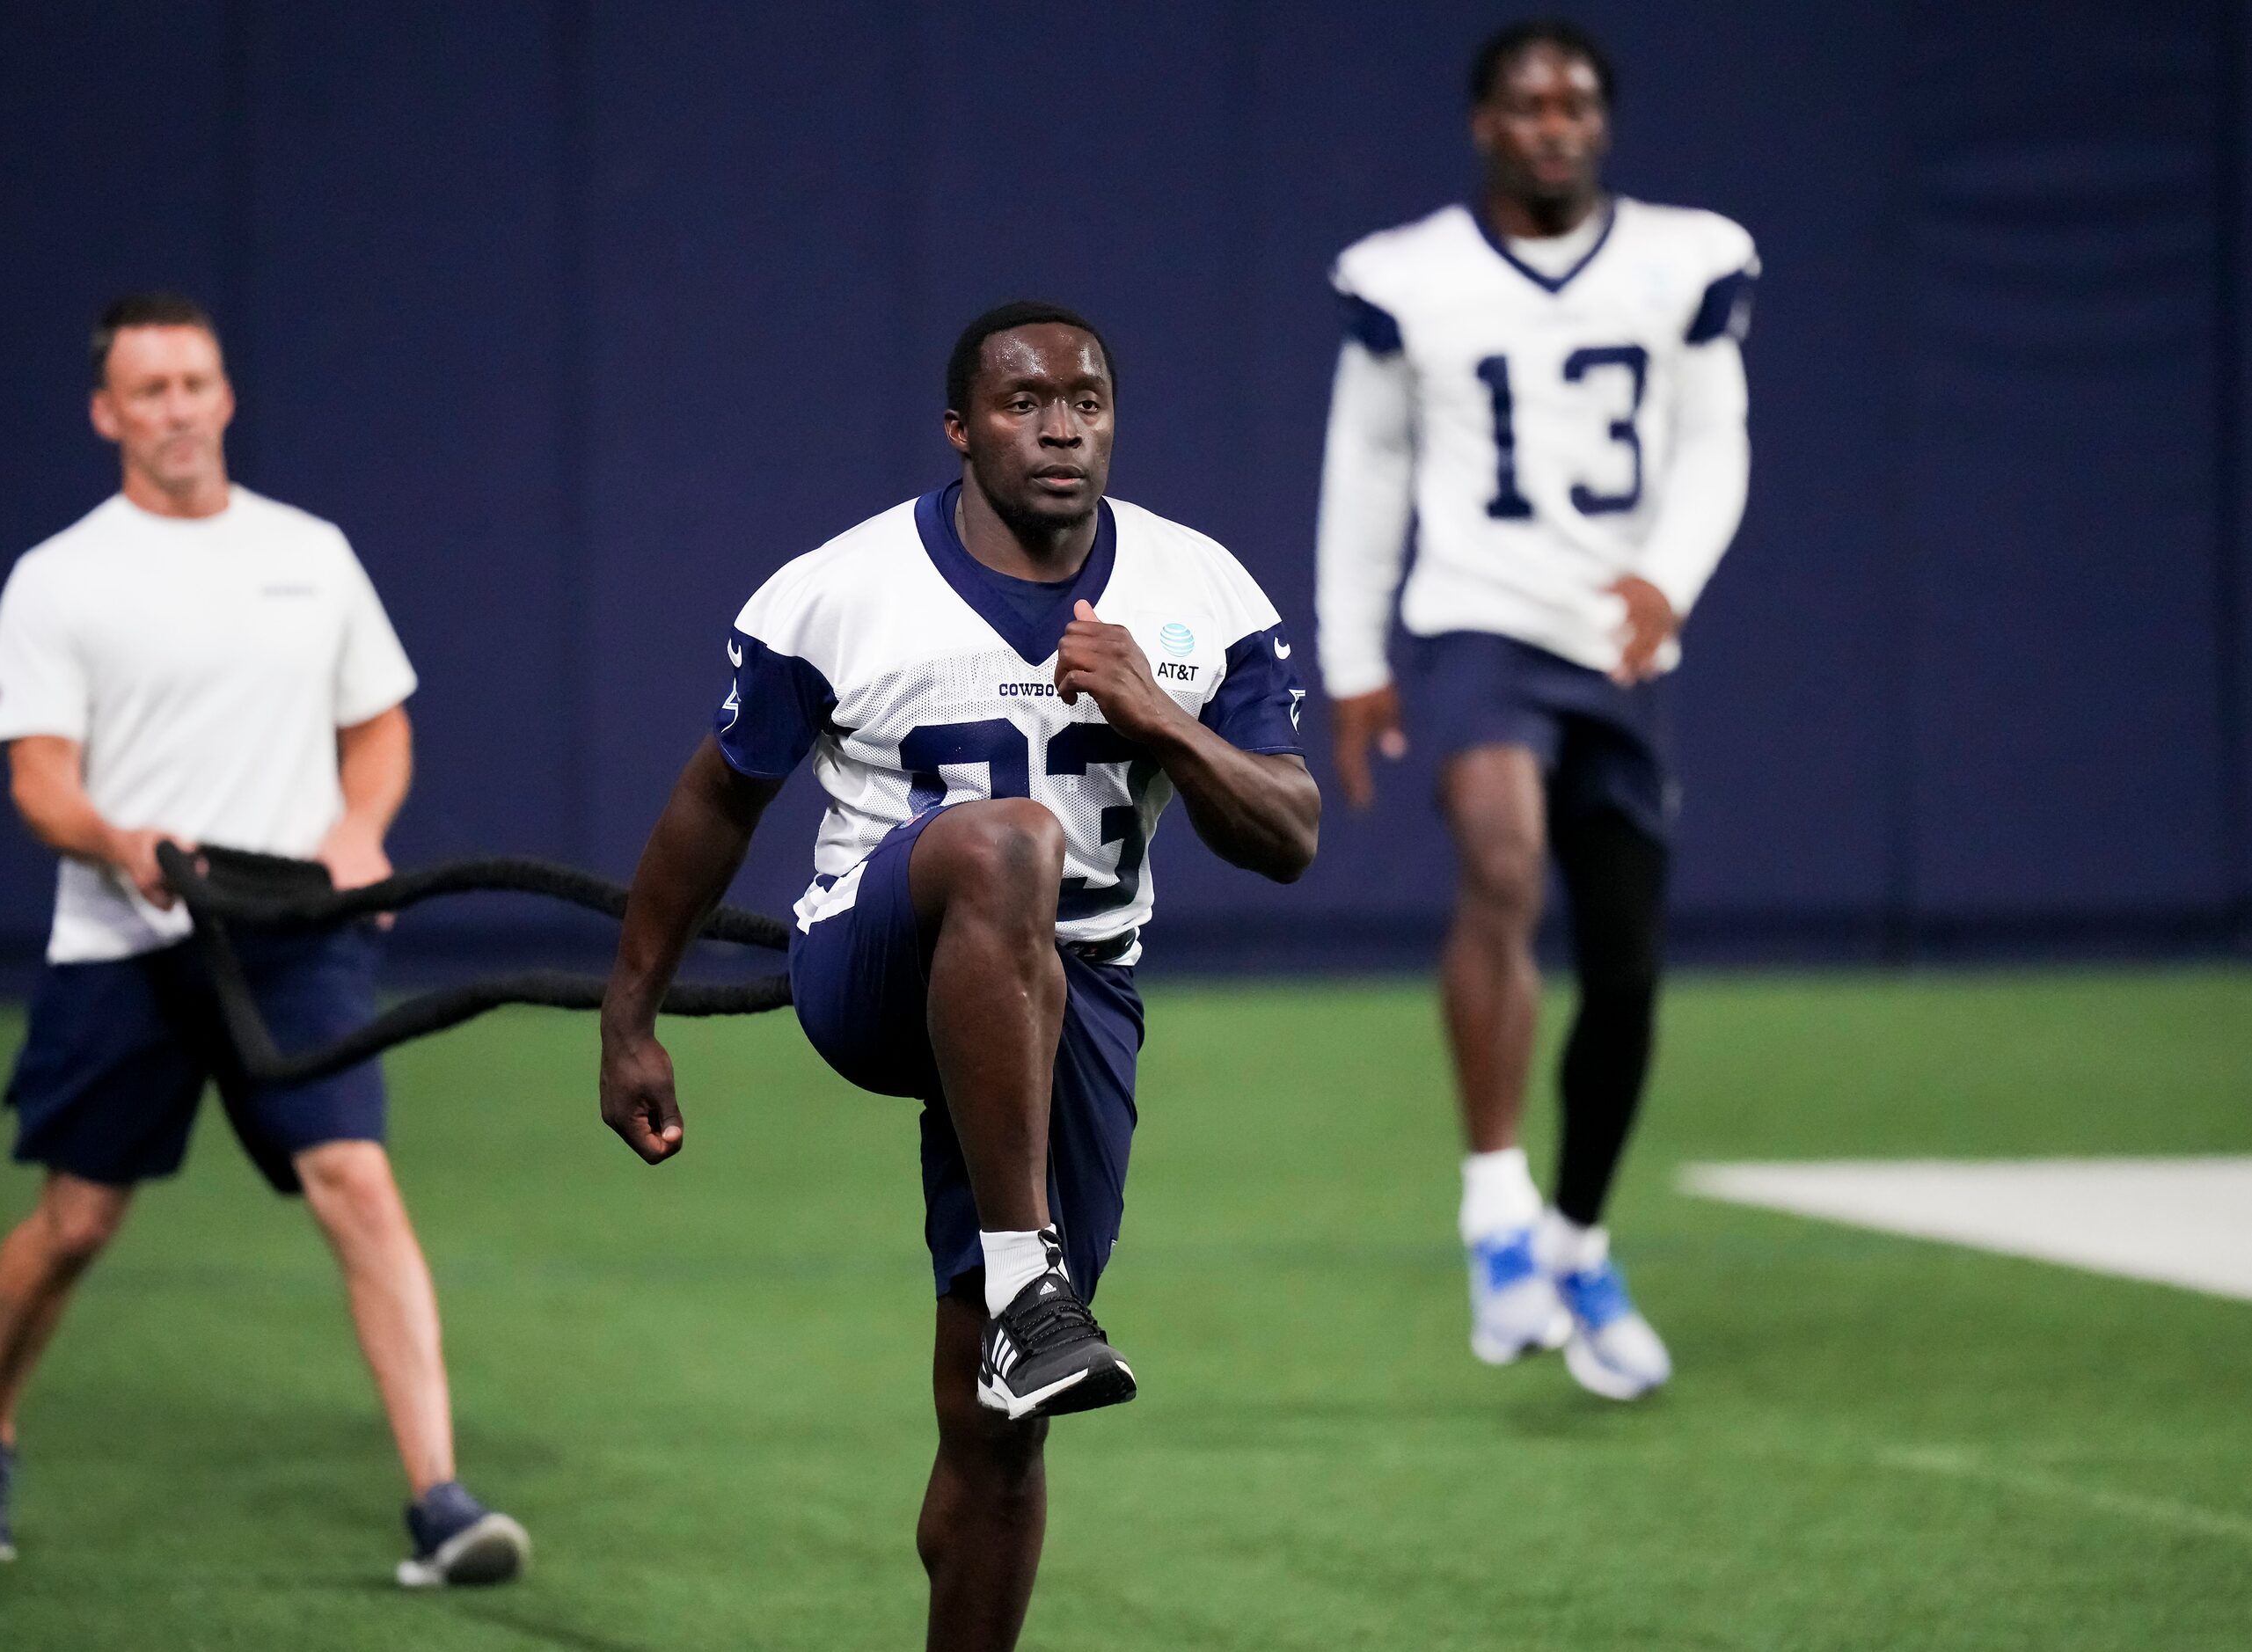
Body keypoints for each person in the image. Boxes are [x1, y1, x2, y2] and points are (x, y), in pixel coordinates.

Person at [600, 301, 1319, 1651]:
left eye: (1087, 401)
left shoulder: (1200, 589)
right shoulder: (842, 587)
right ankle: (1024, 1278)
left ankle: (1013, 1321)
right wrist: (628, 1012)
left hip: (1075, 995)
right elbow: (714, 804)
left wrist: (1155, 712)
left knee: (995, 1436)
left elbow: (1288, 835)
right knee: (1007, 842)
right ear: (959, 427)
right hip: (874, 958)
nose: (1060, 427)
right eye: (1023, 401)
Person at [0, 292, 528, 1586]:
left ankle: (438, 1497)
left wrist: (360, 832)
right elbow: (39, 782)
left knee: (357, 1184)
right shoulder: (61, 575)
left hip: (296, 940)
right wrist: (118, 840)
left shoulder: (310, 551)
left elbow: (378, 727)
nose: (177, 408)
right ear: (107, 413)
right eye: (149, 390)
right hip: (126, 945)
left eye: (194, 382)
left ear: (225, 395)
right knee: (77, 1222)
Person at [1314, 19, 1758, 1400]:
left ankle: (1575, 1237)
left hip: (1616, 643)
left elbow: (1713, 442)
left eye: (1574, 103)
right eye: (1526, 104)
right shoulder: (1410, 277)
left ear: (1603, 124)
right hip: (1472, 622)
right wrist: (1351, 654)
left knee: (1624, 969)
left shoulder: (1686, 258)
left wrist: (1667, 581)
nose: (1552, 125)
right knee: (1499, 863)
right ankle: (1494, 1207)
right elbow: (1367, 466)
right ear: (1482, 125)